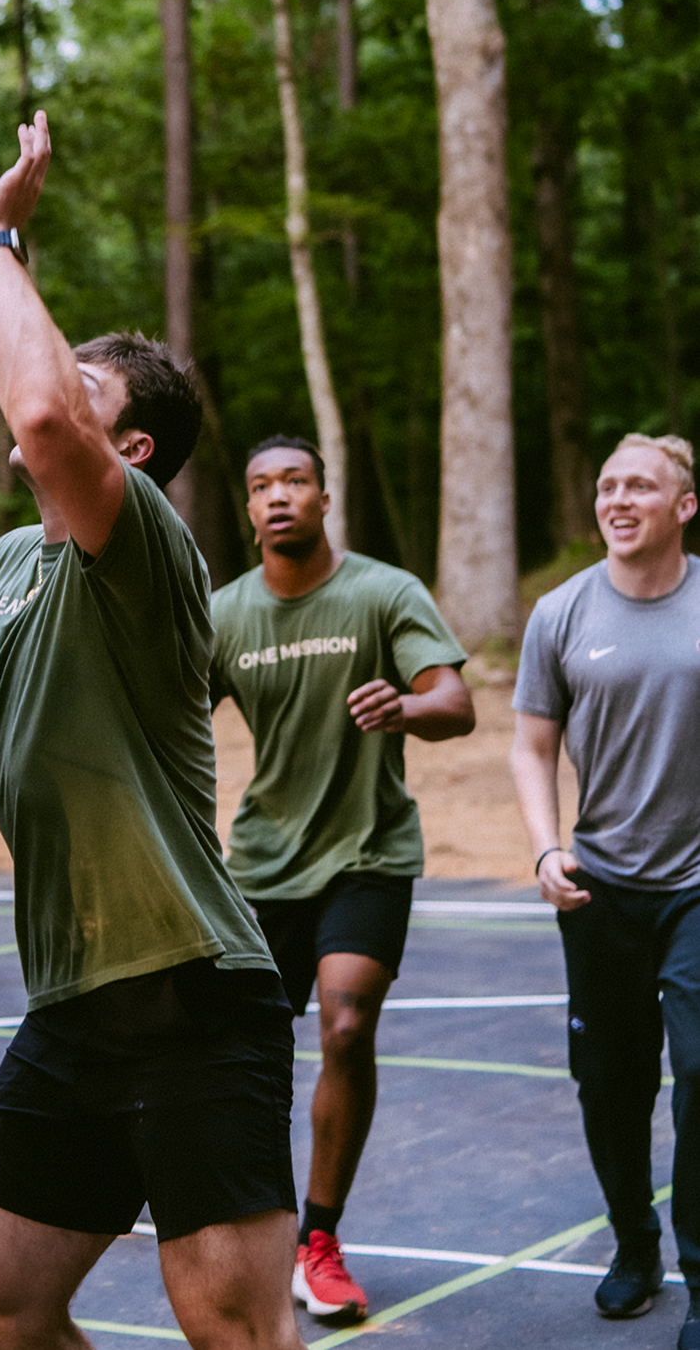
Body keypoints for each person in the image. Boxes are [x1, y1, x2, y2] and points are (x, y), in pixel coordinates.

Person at [0, 114, 305, 1350]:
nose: (38, 384)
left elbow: (47, 421)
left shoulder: (144, 537)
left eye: (78, 380)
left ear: (131, 448)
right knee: (4, 1312)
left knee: (232, 1329)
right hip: (72, 1006)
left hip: (196, 994)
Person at [209, 440, 473, 1324]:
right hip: (263, 863)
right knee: (241, 1053)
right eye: (262, 486)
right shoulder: (225, 613)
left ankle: (317, 1239)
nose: (279, 496)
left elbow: (455, 702)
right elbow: (167, 718)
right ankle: (256, 1224)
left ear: (325, 496)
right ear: (249, 510)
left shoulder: (383, 592)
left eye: (295, 480)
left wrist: (406, 705)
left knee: (347, 1022)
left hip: (368, 852)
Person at [511, 432, 700, 1350]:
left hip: (696, 886)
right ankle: (635, 1242)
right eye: (607, 486)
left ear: (684, 505)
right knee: (610, 1085)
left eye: (640, 486)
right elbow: (531, 744)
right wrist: (547, 850)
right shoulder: (561, 611)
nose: (618, 499)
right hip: (600, 885)